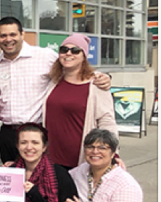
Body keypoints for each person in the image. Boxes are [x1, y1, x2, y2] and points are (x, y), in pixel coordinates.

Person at [0, 17, 110, 163]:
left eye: (13, 34)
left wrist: (102, 76)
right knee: (11, 181)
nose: (8, 39)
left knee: (38, 181)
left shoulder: (44, 56)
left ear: (22, 34)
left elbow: (73, 68)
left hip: (36, 133)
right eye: (3, 35)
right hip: (8, 134)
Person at [42, 34, 117, 169]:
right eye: (64, 50)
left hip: (80, 159)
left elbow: (107, 121)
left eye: (75, 50)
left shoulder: (96, 84)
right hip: (51, 157)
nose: (68, 53)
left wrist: (113, 154)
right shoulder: (54, 81)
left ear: (84, 56)